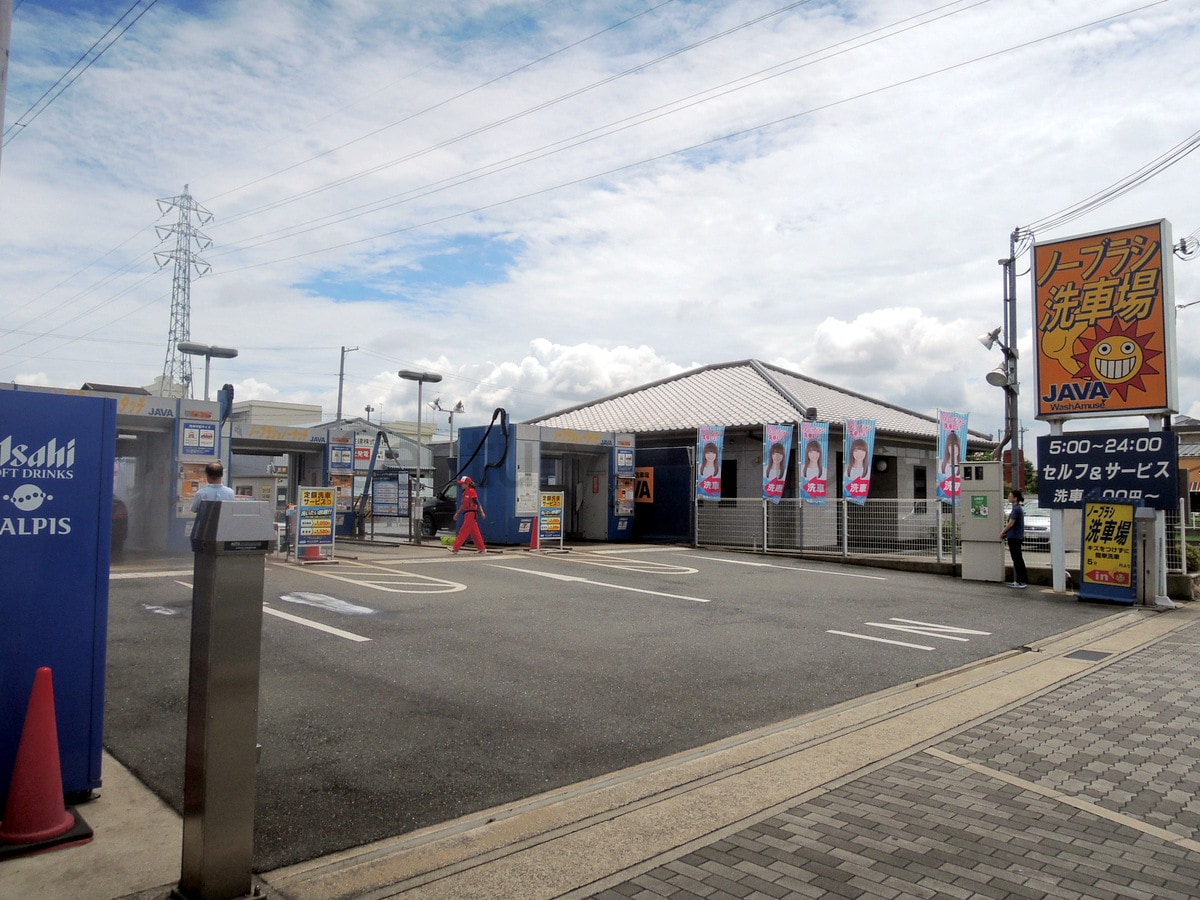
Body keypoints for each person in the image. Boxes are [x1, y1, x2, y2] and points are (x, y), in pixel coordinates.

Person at [451, 475, 487, 554]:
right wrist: (457, 513)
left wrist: (482, 512)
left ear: (467, 484)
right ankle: (482, 548)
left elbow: (477, 502)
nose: (461, 485)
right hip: (468, 514)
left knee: (464, 530)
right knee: (474, 532)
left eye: (463, 484)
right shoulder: (465, 493)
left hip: (471, 513)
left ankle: (455, 548)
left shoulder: (471, 491)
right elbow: (464, 505)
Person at [1000, 489, 1027, 588]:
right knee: (1017, 559)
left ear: (1015, 498)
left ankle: (1021, 581)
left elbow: (1011, 523)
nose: (1009, 497)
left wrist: (1003, 531)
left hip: (1015, 537)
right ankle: (1019, 581)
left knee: (1017, 559)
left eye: (1010, 496)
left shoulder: (1016, 509)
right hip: (1014, 536)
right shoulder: (1017, 508)